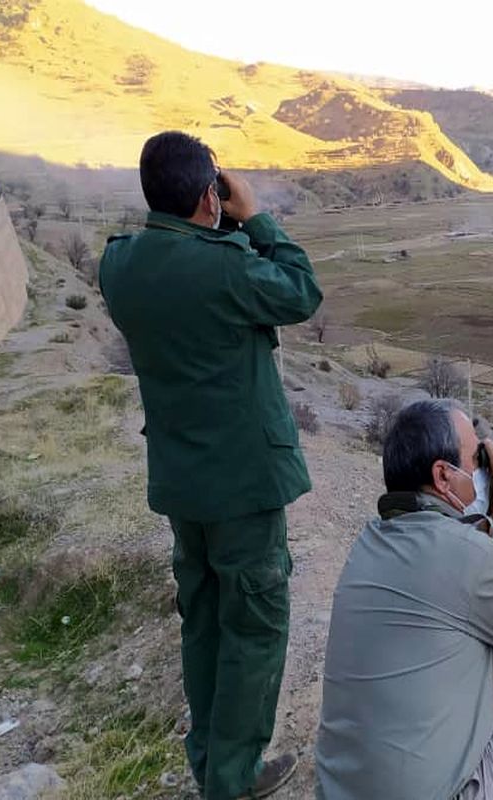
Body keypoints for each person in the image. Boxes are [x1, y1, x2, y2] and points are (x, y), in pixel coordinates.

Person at [99, 131, 323, 799]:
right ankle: (233, 779)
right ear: (208, 195)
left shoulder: (119, 266)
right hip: (245, 487)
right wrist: (253, 215)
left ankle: (208, 762)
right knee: (253, 628)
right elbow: (302, 290)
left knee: (202, 621)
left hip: (182, 484)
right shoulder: (225, 266)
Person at [315, 399, 493, 800]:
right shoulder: (467, 556)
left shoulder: (370, 541)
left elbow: (460, 578)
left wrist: (488, 524)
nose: (486, 473)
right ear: (443, 476)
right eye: (477, 460)